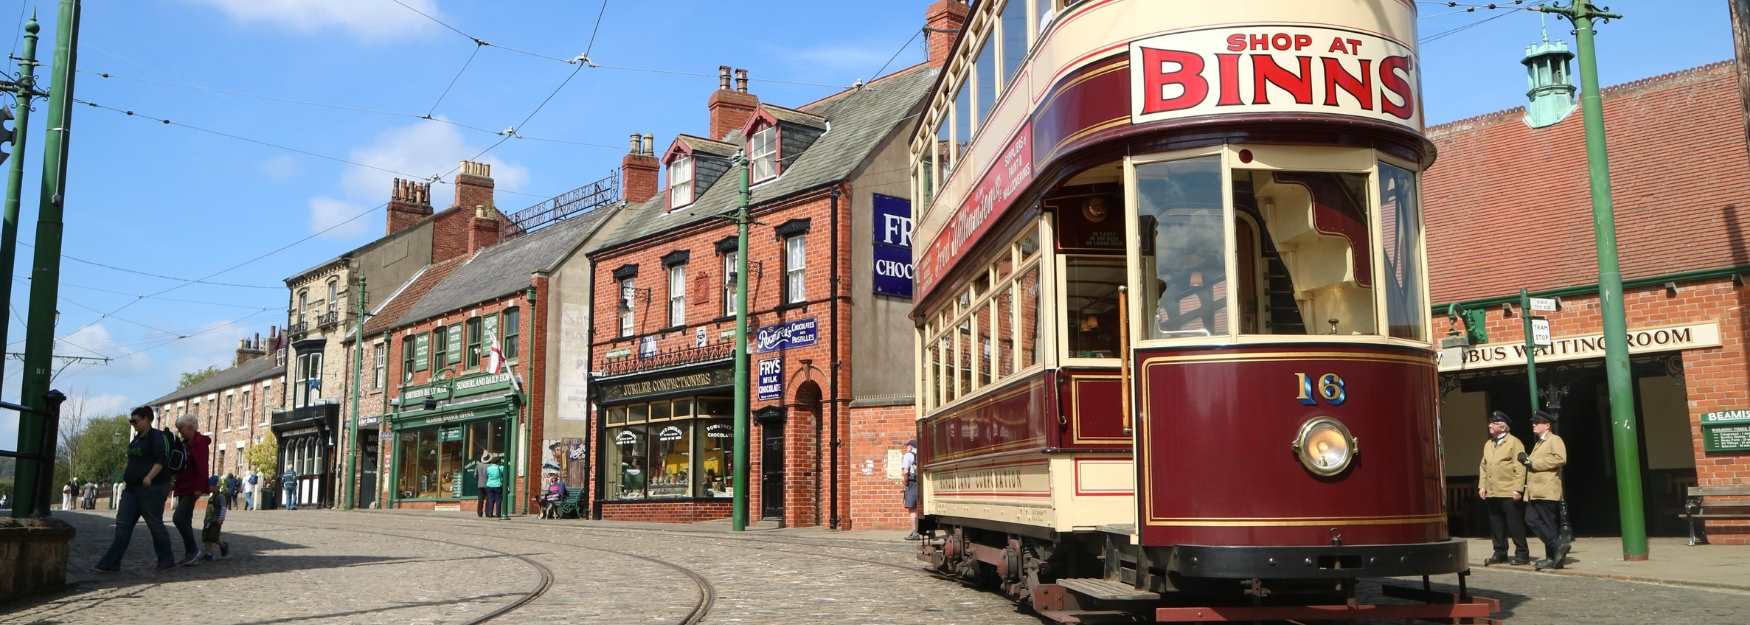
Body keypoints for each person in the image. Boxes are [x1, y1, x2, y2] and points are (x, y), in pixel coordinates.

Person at [94, 407, 176, 573]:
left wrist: (149, 477)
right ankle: (111, 562)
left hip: (151, 489)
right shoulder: (136, 440)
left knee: (155, 524)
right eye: (131, 421)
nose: (133, 424)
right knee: (122, 525)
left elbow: (161, 460)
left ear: (147, 419)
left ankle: (166, 559)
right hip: (131, 489)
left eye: (135, 421)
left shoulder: (157, 437)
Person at [1478, 410, 1531, 566]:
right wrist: (1482, 485)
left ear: (1502, 426)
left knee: (1514, 524)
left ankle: (1522, 554)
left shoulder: (1515, 442)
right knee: (1496, 524)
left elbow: (1520, 467)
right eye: (1490, 422)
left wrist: (1518, 489)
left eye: (1493, 423)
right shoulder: (1488, 444)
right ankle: (1500, 552)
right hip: (1492, 490)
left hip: (1508, 489)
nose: (1490, 425)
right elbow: (1483, 466)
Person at [1520, 410, 1570, 571]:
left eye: (1537, 422)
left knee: (1547, 523)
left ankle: (1553, 557)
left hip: (1547, 489)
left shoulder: (1555, 440)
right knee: (1532, 520)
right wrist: (1527, 460)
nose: (1533, 425)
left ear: (1547, 425)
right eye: (1533, 423)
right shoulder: (1539, 442)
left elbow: (1560, 459)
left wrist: (1531, 463)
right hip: (1535, 490)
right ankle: (1556, 551)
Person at [170, 415, 211, 566]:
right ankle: (190, 553)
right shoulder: (185, 442)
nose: (180, 433)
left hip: (192, 487)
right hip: (183, 485)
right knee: (185, 520)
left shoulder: (199, 443)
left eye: (182, 429)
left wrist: (200, 487)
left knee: (178, 518)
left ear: (191, 427)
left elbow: (202, 467)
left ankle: (193, 550)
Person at [200, 476, 230, 561]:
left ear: (216, 486)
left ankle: (223, 546)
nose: (209, 487)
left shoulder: (220, 497)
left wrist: (221, 519)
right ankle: (208, 554)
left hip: (215, 520)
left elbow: (223, 508)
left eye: (211, 485)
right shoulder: (211, 496)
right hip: (208, 520)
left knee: (213, 537)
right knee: (206, 537)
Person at [901, 440, 921, 541]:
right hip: (921, 482)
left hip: (912, 482)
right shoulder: (921, 455)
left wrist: (905, 484)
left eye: (907, 445)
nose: (906, 447)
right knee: (920, 508)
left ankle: (915, 532)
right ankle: (921, 530)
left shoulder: (908, 455)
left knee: (912, 509)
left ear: (911, 447)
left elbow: (905, 471)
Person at [483, 452, 506, 519]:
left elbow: (486, 476)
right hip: (498, 485)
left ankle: (490, 513)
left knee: (490, 500)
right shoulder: (500, 468)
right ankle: (498, 514)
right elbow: (504, 473)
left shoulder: (488, 468)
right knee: (498, 500)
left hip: (489, 485)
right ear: (498, 462)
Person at [473, 451, 492, 518]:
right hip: (488, 484)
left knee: (480, 499)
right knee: (488, 499)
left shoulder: (478, 465)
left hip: (480, 484)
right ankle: (487, 513)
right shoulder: (490, 466)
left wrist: (478, 480)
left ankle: (479, 513)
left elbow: (475, 475)